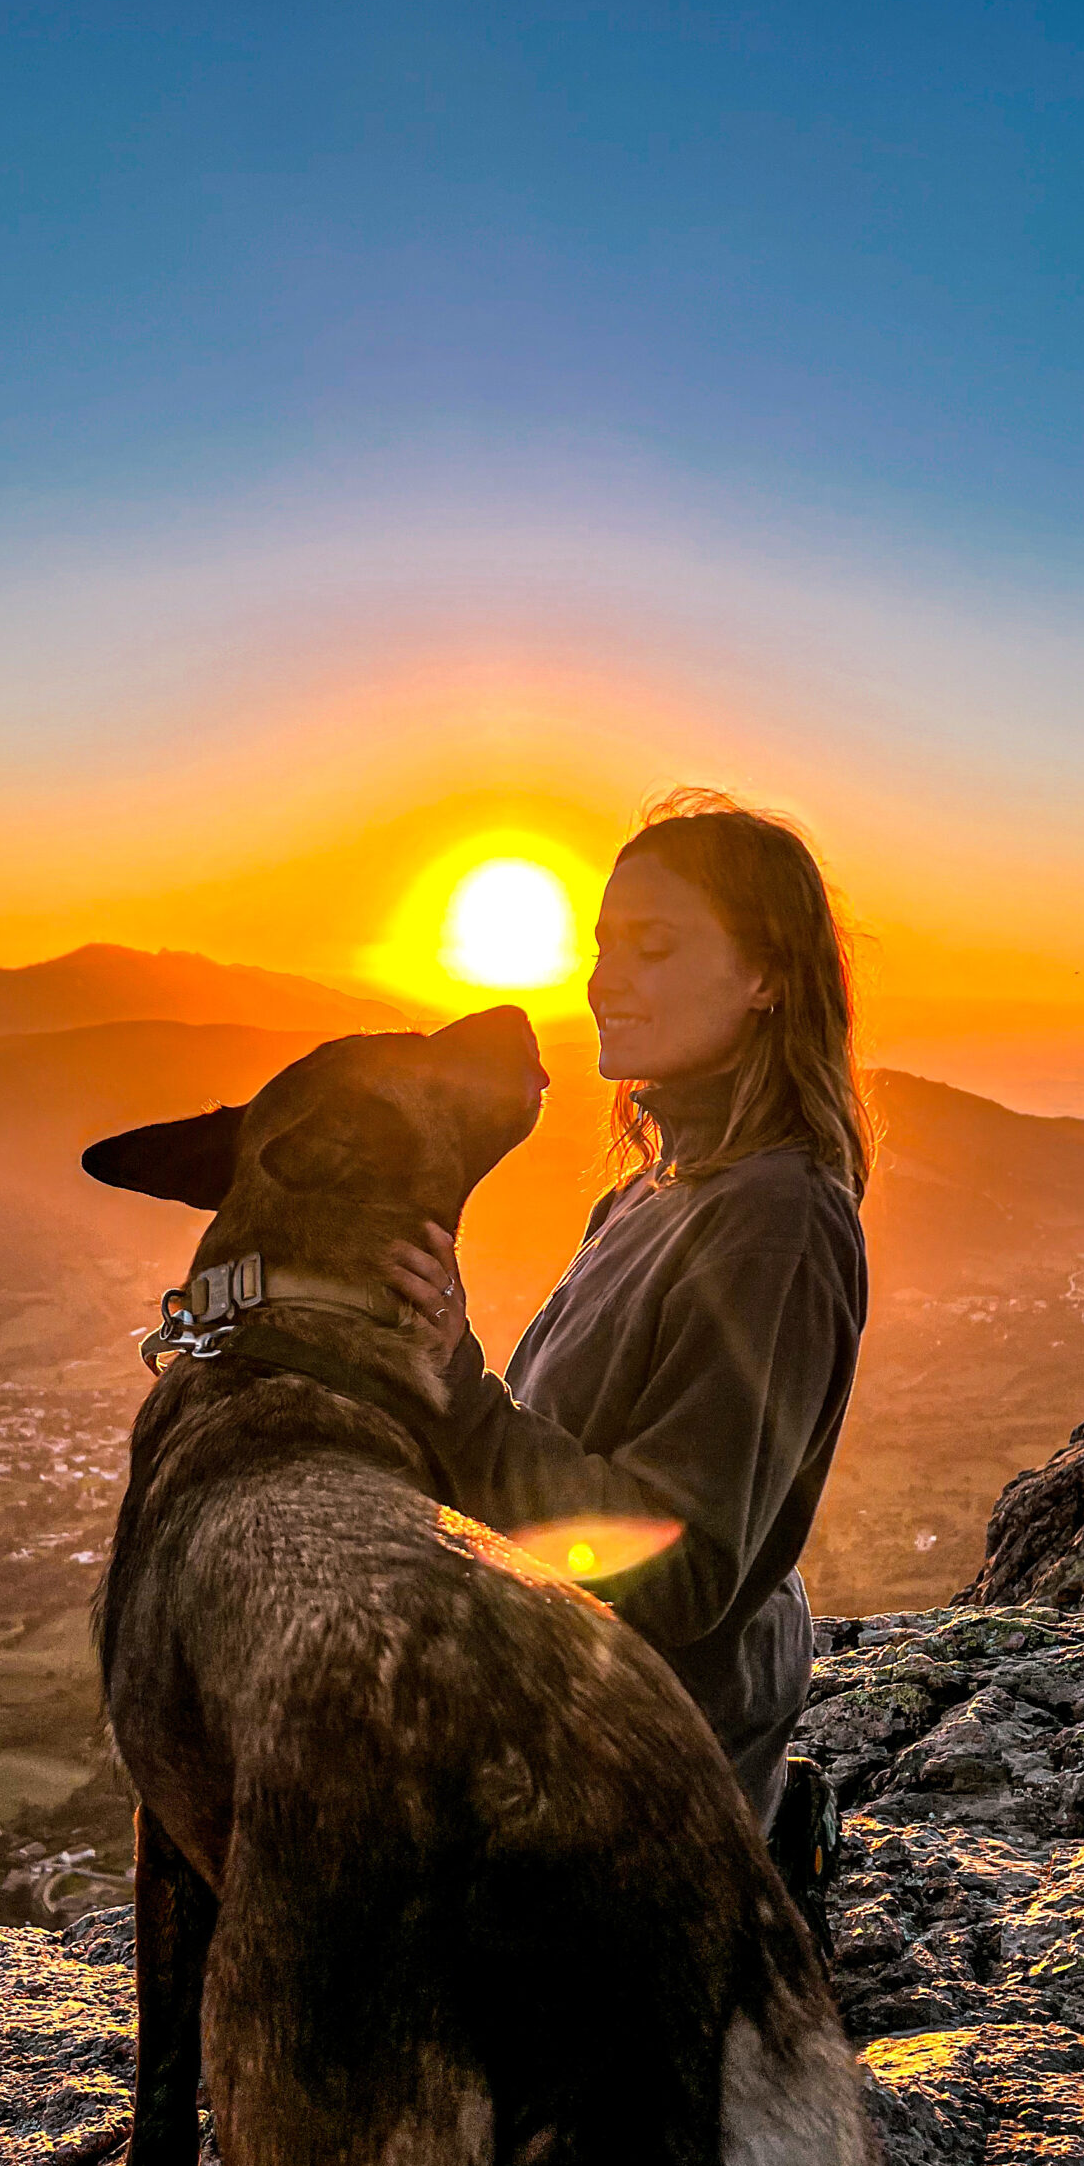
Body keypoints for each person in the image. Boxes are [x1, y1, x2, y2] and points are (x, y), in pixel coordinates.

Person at [385, 790, 870, 1947]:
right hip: (571, 1694)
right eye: (603, 946)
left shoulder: (775, 1219)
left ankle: (751, 1873)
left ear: (767, 978)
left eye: (654, 948)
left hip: (642, 1757)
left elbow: (689, 1570)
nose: (607, 978)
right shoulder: (654, 1190)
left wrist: (456, 1384)